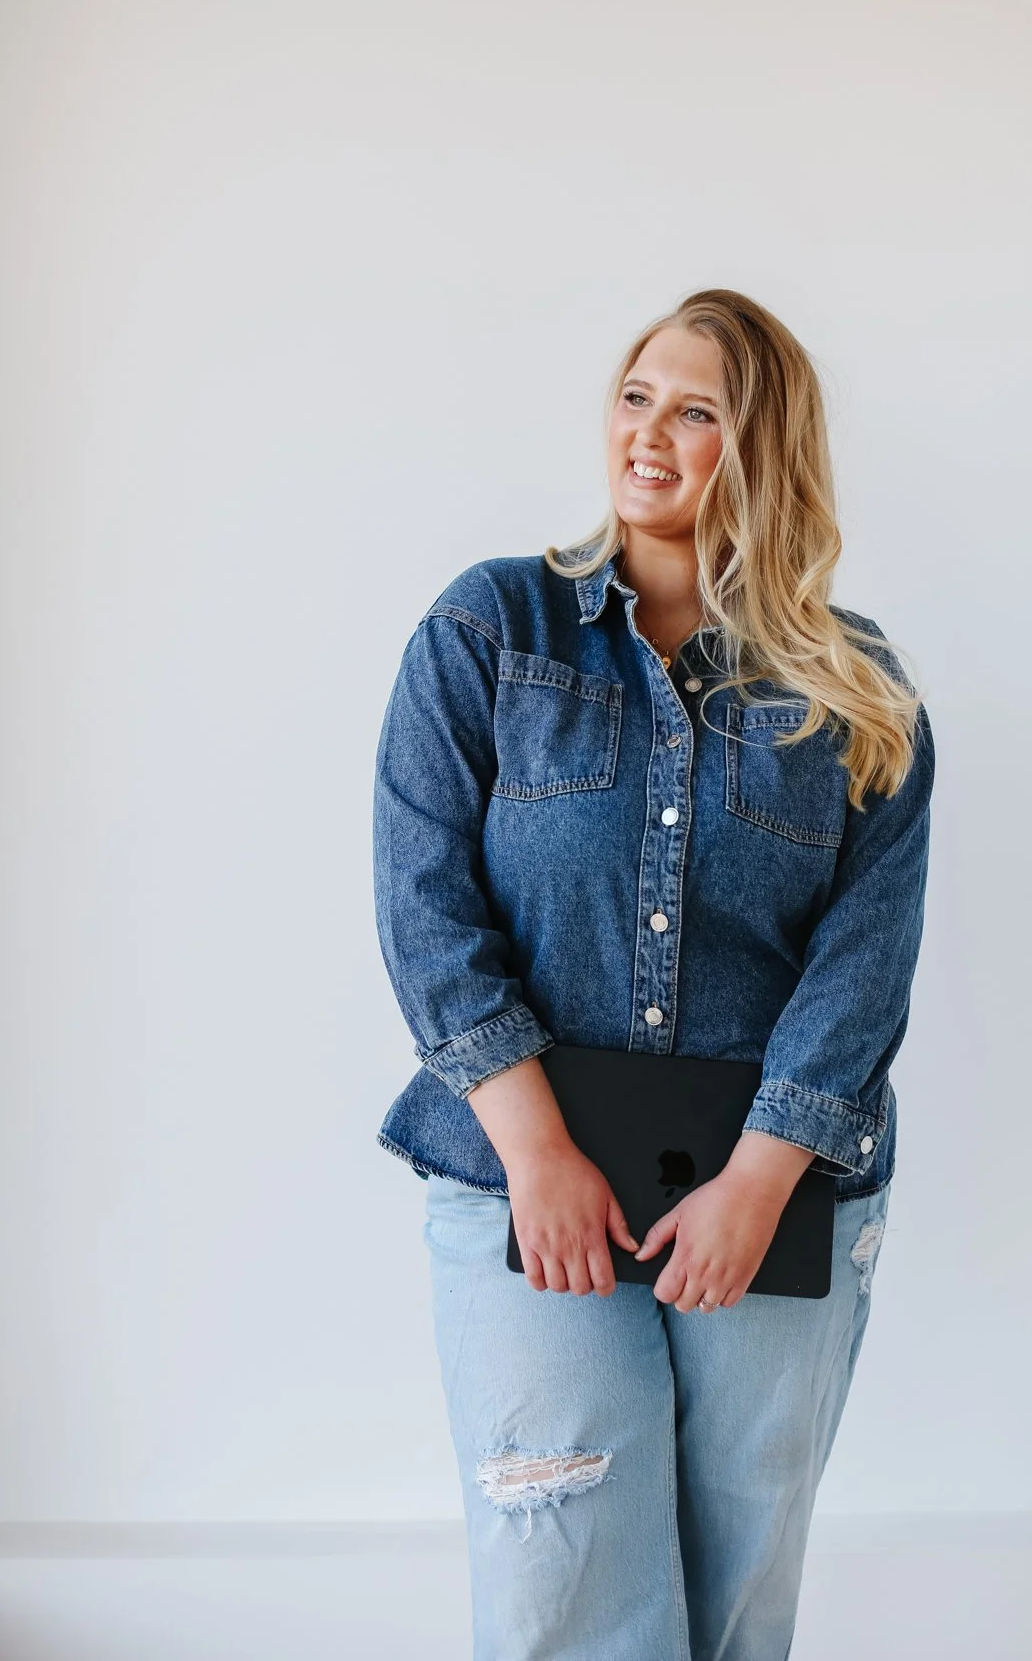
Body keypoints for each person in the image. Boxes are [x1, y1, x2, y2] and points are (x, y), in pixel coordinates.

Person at [371, 288, 935, 1660]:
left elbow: (865, 962)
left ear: (765, 449)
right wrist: (538, 1154)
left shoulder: (858, 689)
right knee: (564, 1584)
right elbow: (424, 904)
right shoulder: (492, 631)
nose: (649, 436)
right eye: (637, 398)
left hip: (771, 1203)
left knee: (737, 1594)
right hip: (520, 1184)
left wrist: (758, 1181)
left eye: (697, 414)